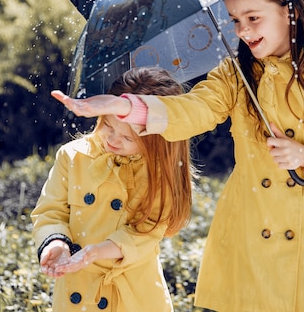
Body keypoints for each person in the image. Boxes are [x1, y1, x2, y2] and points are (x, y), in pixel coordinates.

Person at [52, 0, 304, 312]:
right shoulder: (235, 75)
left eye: (253, 18)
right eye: (235, 20)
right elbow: (192, 109)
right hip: (249, 229)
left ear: (292, 11)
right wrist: (124, 106)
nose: (243, 31)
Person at [32, 67, 195, 312]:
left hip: (133, 296)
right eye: (108, 125)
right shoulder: (73, 156)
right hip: (79, 288)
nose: (113, 140)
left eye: (128, 138)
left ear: (156, 139)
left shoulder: (159, 173)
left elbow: (146, 233)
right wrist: (56, 243)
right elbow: (49, 212)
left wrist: (96, 252)